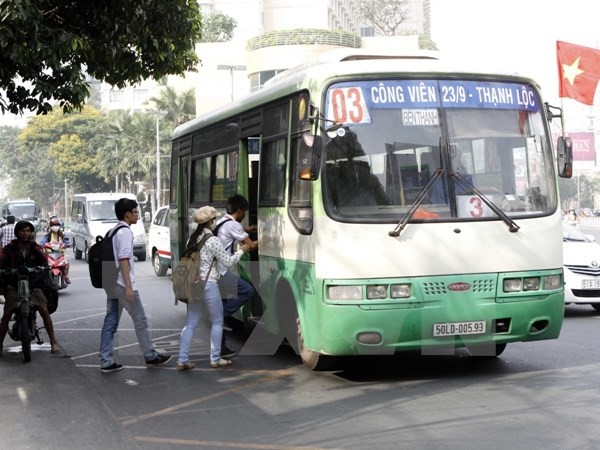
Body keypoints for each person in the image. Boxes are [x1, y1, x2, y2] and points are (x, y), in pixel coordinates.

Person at [98, 198, 171, 373]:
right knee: (140, 320)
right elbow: (124, 260)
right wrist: (129, 287)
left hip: (111, 283)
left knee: (110, 321)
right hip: (123, 283)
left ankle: (106, 360)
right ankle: (150, 356)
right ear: (127, 214)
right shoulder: (125, 232)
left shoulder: (113, 231)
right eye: (135, 211)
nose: (138, 214)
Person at [177, 206, 250, 370]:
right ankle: (215, 358)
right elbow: (228, 261)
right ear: (210, 221)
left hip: (193, 286)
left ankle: (183, 359)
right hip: (209, 284)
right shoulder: (213, 240)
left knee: (190, 323)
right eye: (214, 219)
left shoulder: (192, 240)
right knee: (218, 321)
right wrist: (242, 251)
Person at [0, 220, 60, 357]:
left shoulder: (36, 248)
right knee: (7, 314)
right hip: (14, 285)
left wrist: (42, 267)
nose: (25, 233)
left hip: (33, 285)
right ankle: (0, 345)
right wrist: (6, 270)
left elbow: (44, 261)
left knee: (44, 310)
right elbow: (2, 263)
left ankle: (53, 342)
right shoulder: (10, 248)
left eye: (28, 230)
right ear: (17, 232)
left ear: (31, 232)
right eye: (22, 231)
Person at [214, 194, 258, 358]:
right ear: (239, 210)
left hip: (214, 271)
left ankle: (221, 349)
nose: (245, 215)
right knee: (247, 290)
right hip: (222, 272)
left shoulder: (221, 221)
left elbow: (229, 233)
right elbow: (250, 245)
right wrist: (266, 238)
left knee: (222, 304)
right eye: (244, 211)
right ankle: (223, 315)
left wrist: (245, 230)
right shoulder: (233, 224)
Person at [39, 217, 71, 284]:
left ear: (59, 226)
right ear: (50, 227)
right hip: (50, 255)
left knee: (67, 262)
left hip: (60, 254)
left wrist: (68, 244)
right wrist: (41, 246)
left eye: (57, 225)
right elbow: (42, 242)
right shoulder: (48, 236)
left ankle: (66, 276)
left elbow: (67, 241)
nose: (55, 227)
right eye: (53, 225)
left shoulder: (62, 235)